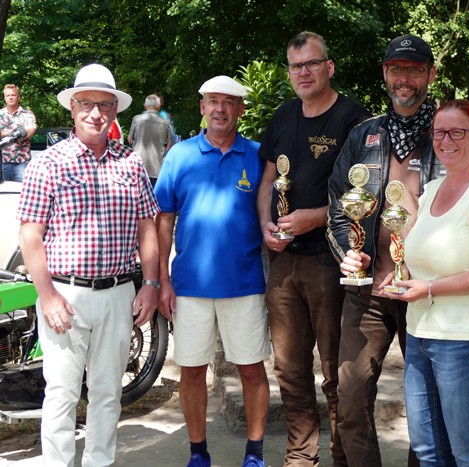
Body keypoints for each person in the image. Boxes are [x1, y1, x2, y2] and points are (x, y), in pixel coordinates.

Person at [16, 63, 159, 466]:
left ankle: (100, 462)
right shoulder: (49, 163)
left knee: (107, 392)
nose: (95, 113)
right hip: (65, 295)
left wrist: (149, 284)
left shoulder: (130, 165)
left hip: (117, 294)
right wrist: (46, 295)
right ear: (72, 108)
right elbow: (30, 234)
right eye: (86, 104)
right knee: (60, 392)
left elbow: (148, 228)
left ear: (115, 110)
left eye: (104, 105)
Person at [327, 34, 443, 467]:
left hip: (426, 295)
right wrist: (347, 253)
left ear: (429, 75)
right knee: (351, 399)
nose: (405, 79)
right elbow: (339, 206)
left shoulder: (449, 134)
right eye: (397, 69)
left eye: (415, 70)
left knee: (427, 408)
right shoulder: (364, 135)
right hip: (369, 293)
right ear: (385, 74)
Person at [257, 31, 371, 466]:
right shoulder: (283, 117)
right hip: (283, 263)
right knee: (289, 369)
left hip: (331, 261)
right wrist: (266, 224)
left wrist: (315, 216)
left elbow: (366, 194)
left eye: (311, 63)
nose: (303, 72)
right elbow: (268, 180)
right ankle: (301, 456)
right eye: (295, 66)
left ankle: (342, 455)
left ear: (329, 67)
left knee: (338, 372)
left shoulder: (354, 119)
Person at [380, 99, 469, 466]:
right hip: (421, 334)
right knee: (428, 451)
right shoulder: (433, 189)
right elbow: (418, 256)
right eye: (439, 132)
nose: (446, 140)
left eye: (458, 132)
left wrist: (431, 288)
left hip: (467, 341)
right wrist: (400, 274)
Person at [154, 75, 270, 467]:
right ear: (202, 107)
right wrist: (161, 281)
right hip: (189, 286)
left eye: (229, 102)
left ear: (240, 109)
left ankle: (254, 453)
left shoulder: (258, 156)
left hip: (244, 284)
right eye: (213, 101)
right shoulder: (179, 156)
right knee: (191, 370)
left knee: (252, 370)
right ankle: (198, 452)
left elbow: (270, 216)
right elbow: (163, 221)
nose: (220, 108)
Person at [128, 94, 172, 187]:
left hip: (138, 166)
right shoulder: (166, 123)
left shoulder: (136, 119)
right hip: (157, 168)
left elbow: (130, 139)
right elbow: (169, 144)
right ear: (159, 106)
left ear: (145, 105)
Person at [0, 84, 37, 182]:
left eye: (13, 95)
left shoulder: (27, 114)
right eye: (8, 95)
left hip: (22, 163)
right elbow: (22, 132)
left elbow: (29, 132)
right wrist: (17, 133)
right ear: (4, 98)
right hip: (2, 162)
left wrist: (3, 133)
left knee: (21, 194)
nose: (11, 97)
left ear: (18, 97)